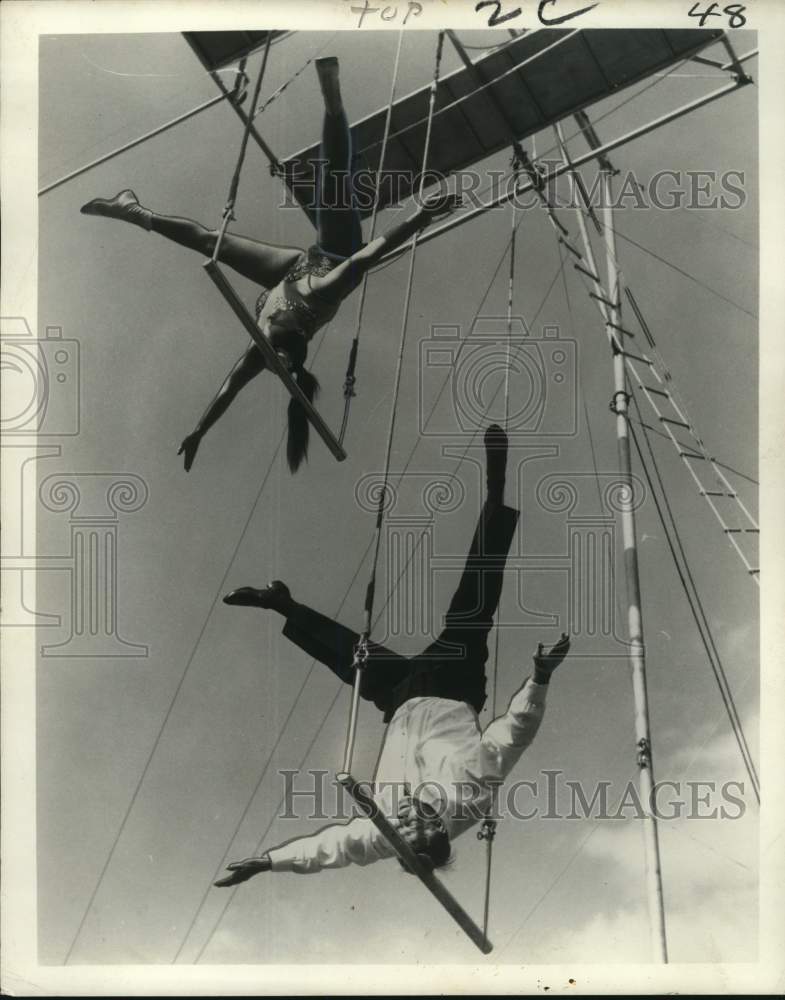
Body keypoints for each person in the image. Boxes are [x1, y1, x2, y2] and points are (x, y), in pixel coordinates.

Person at [213, 425, 571, 885]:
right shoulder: (471, 797)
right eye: (414, 826)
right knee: (472, 606)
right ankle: (497, 491)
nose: (402, 820)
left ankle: (282, 602)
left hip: (400, 700)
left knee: (352, 660)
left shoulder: (385, 834)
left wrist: (267, 861)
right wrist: (540, 678)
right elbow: (514, 733)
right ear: (439, 827)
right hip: (453, 684)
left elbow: (333, 849)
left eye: (402, 830)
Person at [80, 57, 459, 472]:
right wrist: (420, 218)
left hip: (289, 271)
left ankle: (134, 211)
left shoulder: (263, 351)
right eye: (280, 354)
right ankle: (333, 101)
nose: (268, 352)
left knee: (211, 242)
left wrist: (200, 431)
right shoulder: (320, 296)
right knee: (333, 179)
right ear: (294, 339)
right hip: (336, 252)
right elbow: (366, 258)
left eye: (273, 361)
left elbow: (229, 389)